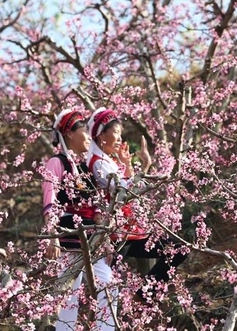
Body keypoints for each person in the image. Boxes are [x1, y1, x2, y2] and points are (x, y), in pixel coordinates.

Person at [86, 107, 187, 299]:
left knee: (177, 250)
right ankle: (142, 297)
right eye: (115, 133)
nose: (119, 138)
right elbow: (124, 190)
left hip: (128, 231)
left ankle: (144, 295)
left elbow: (125, 188)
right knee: (107, 294)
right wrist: (145, 166)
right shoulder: (98, 163)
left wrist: (128, 165)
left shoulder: (105, 160)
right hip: (117, 234)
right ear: (100, 135)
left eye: (120, 133)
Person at [41, 109, 117, 330]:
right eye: (84, 130)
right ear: (69, 134)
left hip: (91, 241)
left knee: (109, 286)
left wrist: (105, 239)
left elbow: (96, 208)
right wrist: (53, 238)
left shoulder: (84, 168)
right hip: (67, 241)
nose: (87, 135)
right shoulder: (56, 163)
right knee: (68, 299)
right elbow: (50, 201)